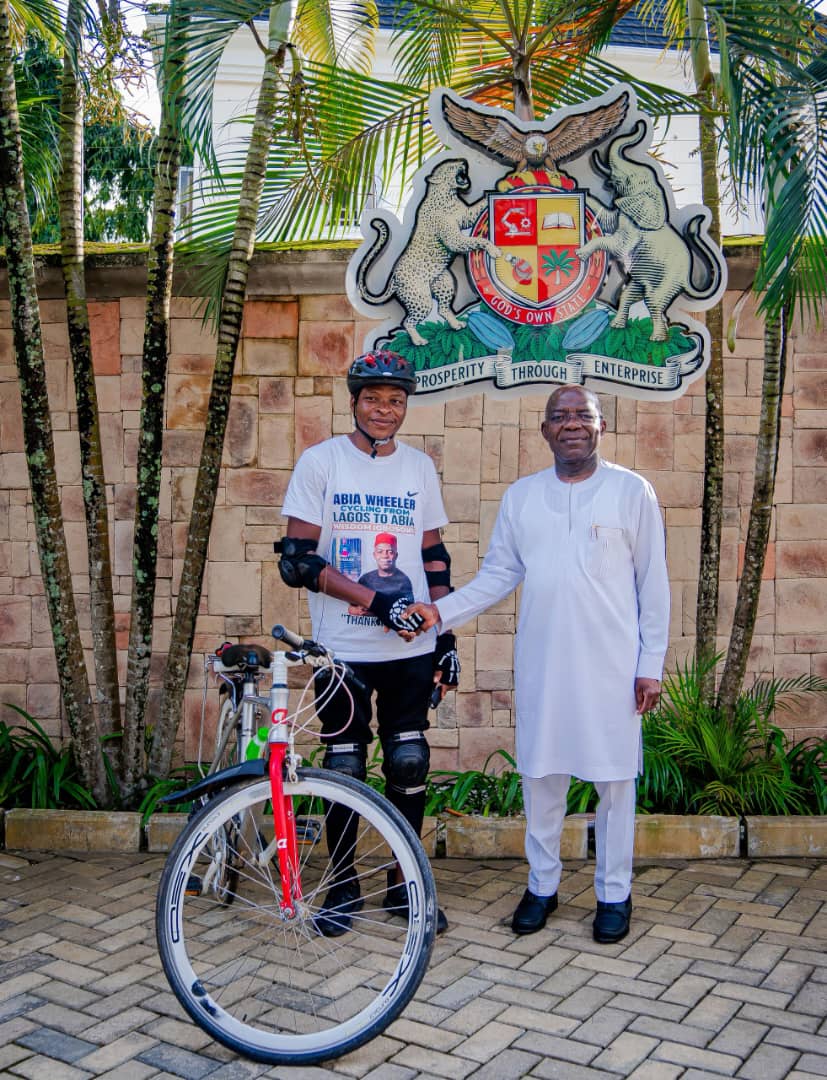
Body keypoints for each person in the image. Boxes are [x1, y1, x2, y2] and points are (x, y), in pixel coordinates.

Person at [405, 385, 669, 944]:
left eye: (583, 415)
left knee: (615, 782)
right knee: (541, 777)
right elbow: (500, 573)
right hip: (544, 663)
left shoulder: (631, 491)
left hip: (613, 667)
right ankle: (542, 886)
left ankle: (614, 894)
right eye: (560, 416)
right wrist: (440, 612)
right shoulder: (522, 496)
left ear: (601, 426)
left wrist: (651, 664)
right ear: (545, 430)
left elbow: (654, 583)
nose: (572, 424)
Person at [276, 350, 459, 937]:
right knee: (346, 765)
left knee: (409, 760)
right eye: (374, 399)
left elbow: (433, 556)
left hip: (411, 648)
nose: (385, 409)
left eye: (396, 401)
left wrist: (446, 633)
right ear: (354, 402)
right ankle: (342, 883)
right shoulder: (321, 462)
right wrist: (380, 603)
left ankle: (405, 885)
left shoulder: (418, 468)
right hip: (342, 648)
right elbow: (298, 562)